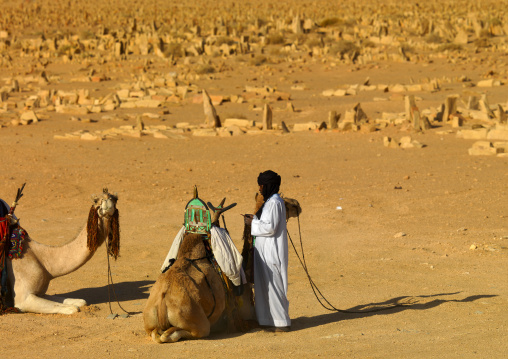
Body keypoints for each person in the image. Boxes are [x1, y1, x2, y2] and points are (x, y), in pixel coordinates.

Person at [244, 170, 290, 332]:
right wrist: (254, 219)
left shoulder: (275, 203)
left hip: (272, 252)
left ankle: (281, 322)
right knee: (264, 286)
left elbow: (270, 227)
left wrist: (252, 224)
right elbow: (266, 222)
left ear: (268, 185)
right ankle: (266, 320)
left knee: (274, 286)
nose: (260, 189)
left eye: (261, 186)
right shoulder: (269, 202)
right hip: (263, 252)